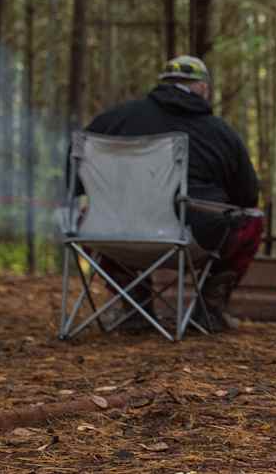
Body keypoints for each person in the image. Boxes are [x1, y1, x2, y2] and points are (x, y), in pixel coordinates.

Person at [83, 55, 262, 331]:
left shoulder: (111, 121)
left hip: (116, 236)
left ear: (163, 84)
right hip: (191, 239)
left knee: (89, 217)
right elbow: (248, 197)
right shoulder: (221, 133)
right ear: (202, 88)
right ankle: (208, 310)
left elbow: (76, 179)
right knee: (251, 221)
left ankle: (136, 305)